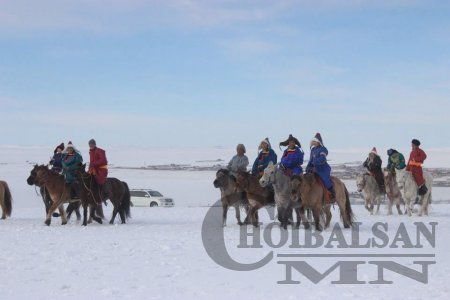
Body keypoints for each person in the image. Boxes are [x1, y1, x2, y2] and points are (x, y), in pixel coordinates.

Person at [305, 133, 335, 201]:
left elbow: (322, 159)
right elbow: (310, 160)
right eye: (313, 141)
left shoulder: (323, 149)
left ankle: (332, 192)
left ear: (318, 142)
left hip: (323, 168)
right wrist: (308, 167)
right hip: (314, 169)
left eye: (315, 141)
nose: (314, 143)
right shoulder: (312, 150)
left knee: (324, 178)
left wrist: (315, 162)